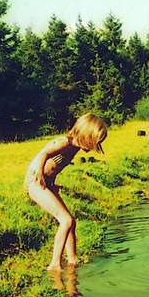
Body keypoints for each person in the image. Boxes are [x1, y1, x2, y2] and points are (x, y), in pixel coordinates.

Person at [24, 113, 107, 271]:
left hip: (47, 183)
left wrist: (51, 182)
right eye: (95, 142)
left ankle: (72, 259)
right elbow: (44, 154)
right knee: (66, 220)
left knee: (71, 222)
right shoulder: (64, 142)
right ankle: (54, 264)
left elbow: (54, 167)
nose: (95, 146)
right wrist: (40, 174)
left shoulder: (74, 148)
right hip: (35, 182)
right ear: (85, 135)